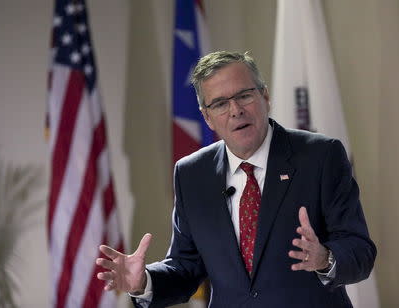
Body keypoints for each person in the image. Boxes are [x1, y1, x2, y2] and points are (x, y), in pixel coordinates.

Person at [96, 51, 376, 308]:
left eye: (244, 95)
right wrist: (144, 281)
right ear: (207, 117)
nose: (235, 110)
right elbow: (186, 267)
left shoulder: (320, 156)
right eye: (220, 103)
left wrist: (324, 258)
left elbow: (360, 251)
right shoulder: (192, 173)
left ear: (265, 96)